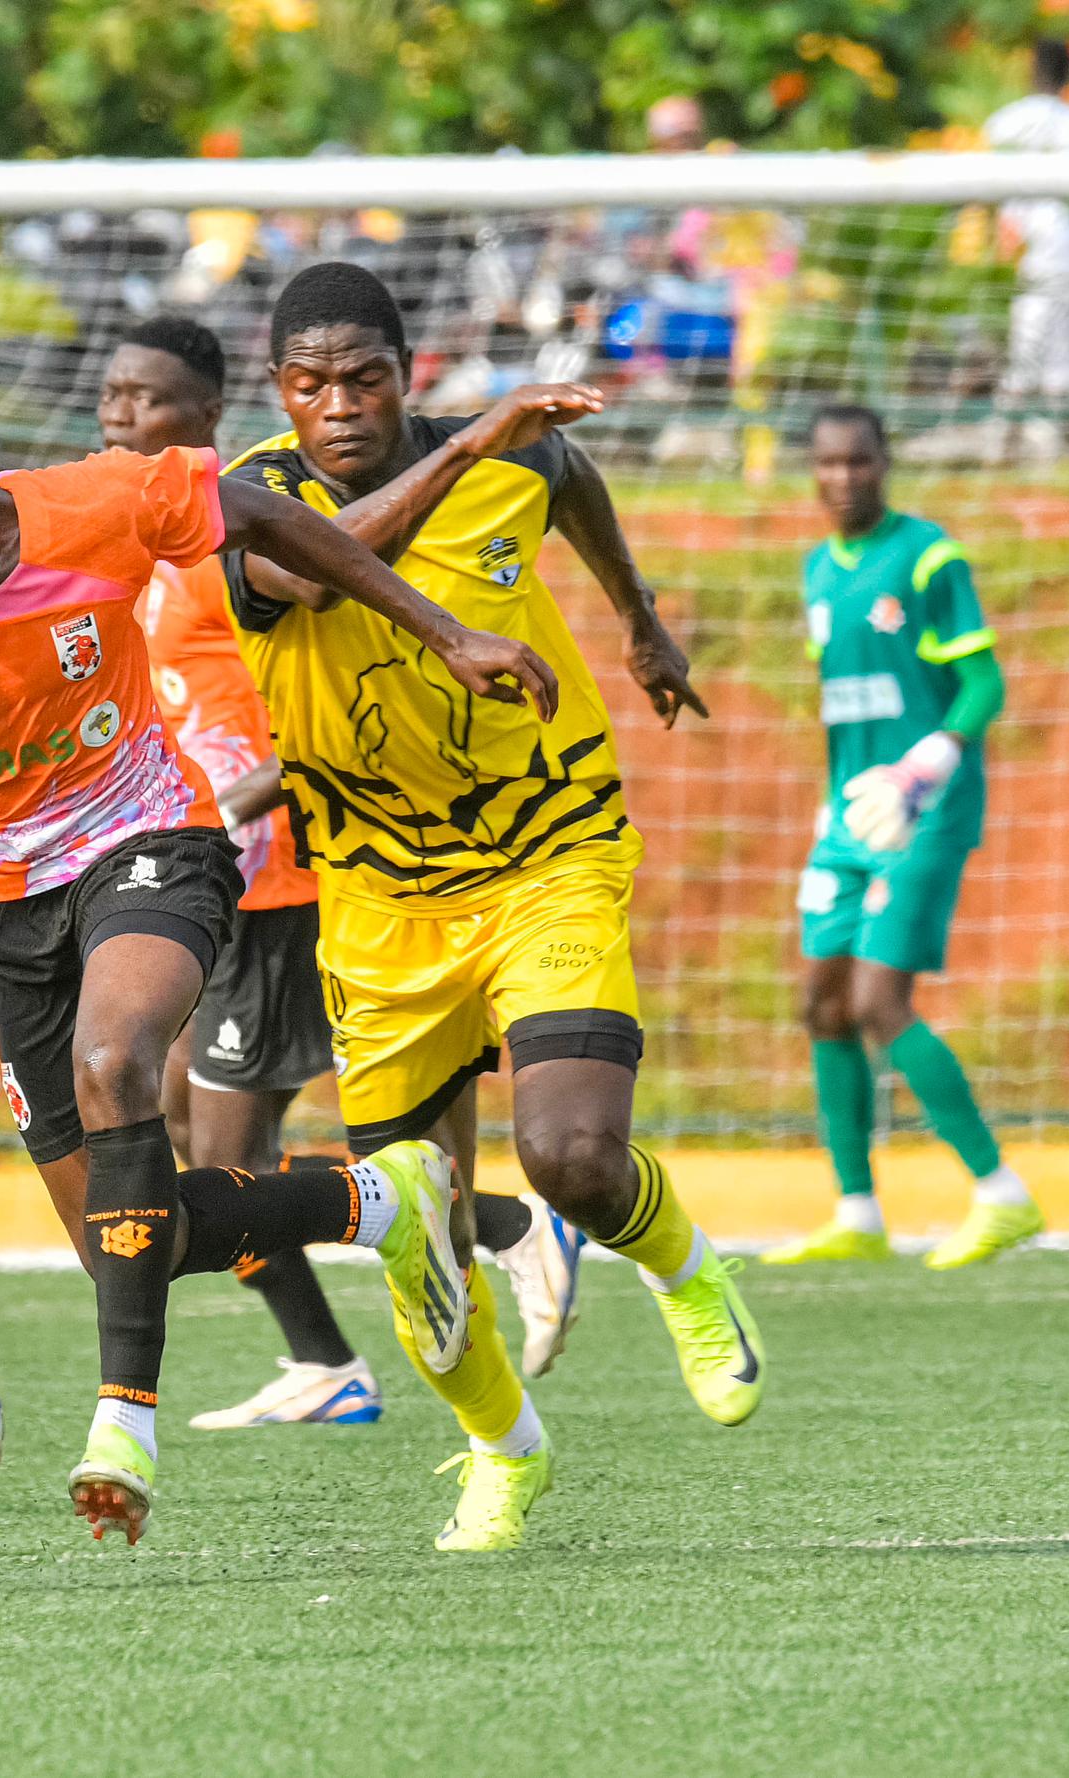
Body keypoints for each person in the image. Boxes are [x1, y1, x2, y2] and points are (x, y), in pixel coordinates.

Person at [0, 318, 562, 1547]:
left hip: (158, 837)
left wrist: (443, 628)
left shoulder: (89, 505)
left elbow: (264, 518)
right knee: (123, 1244)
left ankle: (124, 1423)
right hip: (17, 904)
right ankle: (375, 1202)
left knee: (116, 1065)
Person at [224, 262, 765, 1553]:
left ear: (405, 372)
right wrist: (476, 436)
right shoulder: (253, 499)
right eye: (312, 384)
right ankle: (503, 1448)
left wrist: (639, 622)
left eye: (365, 378)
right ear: (280, 392)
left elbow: (570, 481)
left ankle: (690, 1272)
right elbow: (337, 563)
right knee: (419, 1234)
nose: (339, 406)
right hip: (378, 895)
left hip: (546, 850)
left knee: (574, 1158)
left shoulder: (521, 463)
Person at [100, 314, 585, 1433]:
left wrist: (238, 800)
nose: (118, 416)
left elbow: (321, 695)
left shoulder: (245, 519)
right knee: (183, 1120)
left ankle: (497, 1231)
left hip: (270, 875)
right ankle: (335, 1352)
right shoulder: (139, 536)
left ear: (212, 414)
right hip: (201, 872)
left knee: (219, 1156)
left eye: (145, 399)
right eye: (111, 395)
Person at [759, 405, 1040, 1269]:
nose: (844, 478)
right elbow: (846, 716)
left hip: (927, 810)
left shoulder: (928, 558)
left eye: (860, 462)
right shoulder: (814, 570)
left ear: (886, 464)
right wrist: (830, 802)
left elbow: (984, 683)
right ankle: (857, 1212)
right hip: (849, 815)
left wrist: (935, 757)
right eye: (829, 464)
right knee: (822, 1003)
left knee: (881, 1002)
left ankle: (1001, 1195)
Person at [983, 40, 1069, 403]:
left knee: (1031, 346)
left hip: (1021, 251)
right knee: (1054, 352)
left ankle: (1019, 439)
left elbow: (982, 194)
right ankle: (1032, 434)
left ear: (1031, 71)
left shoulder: (1005, 122)